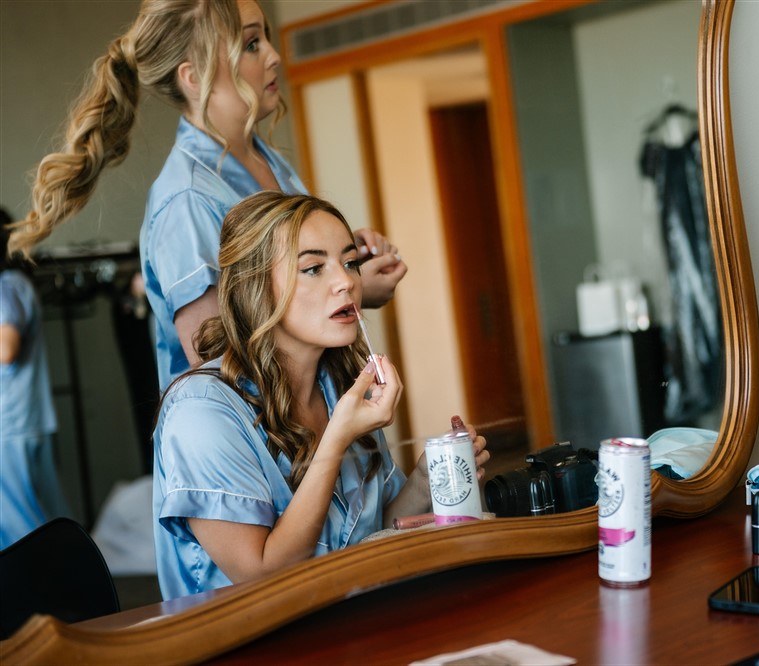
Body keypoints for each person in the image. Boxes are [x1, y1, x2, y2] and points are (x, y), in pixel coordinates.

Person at [6, 0, 407, 391]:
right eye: (251, 44)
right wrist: (352, 293)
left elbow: (280, 277)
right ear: (193, 77)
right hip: (253, 448)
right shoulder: (186, 202)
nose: (274, 56)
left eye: (265, 37)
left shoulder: (264, 160)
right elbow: (219, 369)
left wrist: (342, 259)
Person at [153, 191, 489, 600]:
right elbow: (262, 579)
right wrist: (336, 440)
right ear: (255, 287)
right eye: (313, 268)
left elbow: (370, 533)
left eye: (350, 263)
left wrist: (424, 482)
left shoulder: (339, 386)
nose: (346, 280)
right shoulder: (201, 412)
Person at [0, 208, 73, 549]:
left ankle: (57, 596)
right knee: (45, 518)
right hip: (25, 420)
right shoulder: (18, 284)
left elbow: (6, 349)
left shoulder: (6, 287)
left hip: (12, 423)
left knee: (25, 530)